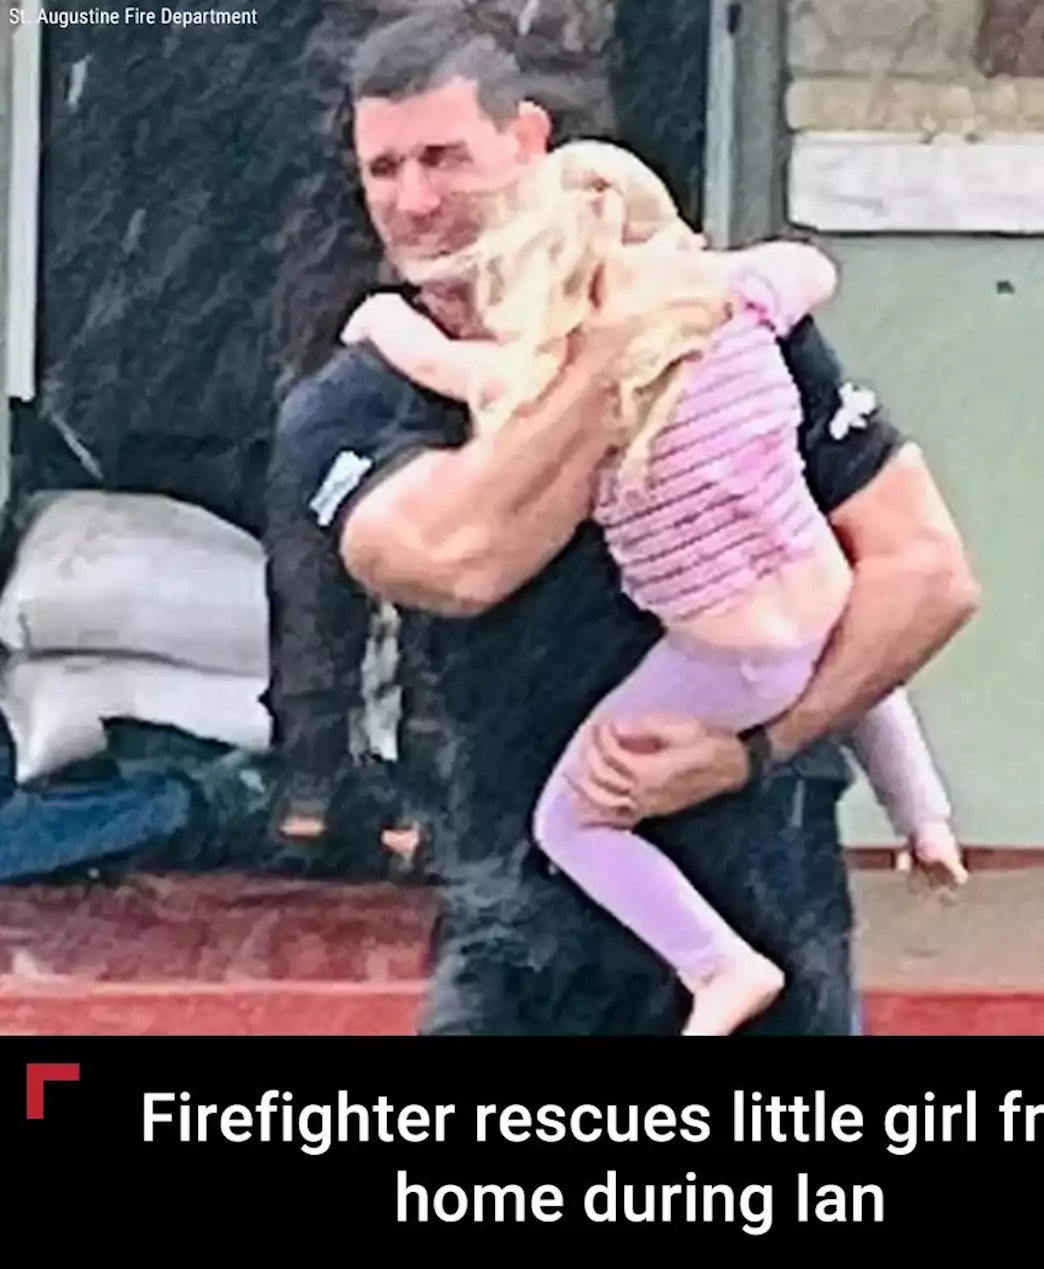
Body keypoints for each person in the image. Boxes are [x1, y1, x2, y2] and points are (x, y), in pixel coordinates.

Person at [264, 12, 979, 1035]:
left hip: (766, 903)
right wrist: (606, 358)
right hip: (524, 933)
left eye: (443, 158)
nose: (412, 200)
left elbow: (923, 571)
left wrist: (756, 749)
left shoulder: (710, 319)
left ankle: (915, 820)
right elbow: (457, 563)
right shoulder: (356, 399)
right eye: (383, 169)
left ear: (527, 148)